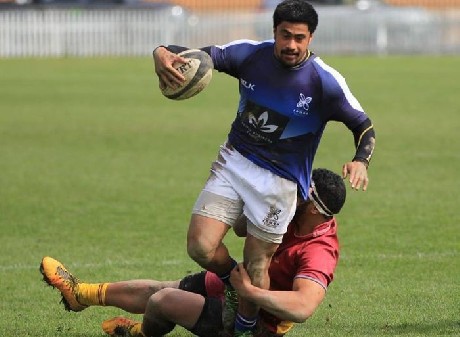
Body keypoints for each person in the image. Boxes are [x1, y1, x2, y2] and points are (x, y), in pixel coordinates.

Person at [152, 1, 375, 336]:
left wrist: (361, 160)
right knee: (200, 246)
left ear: (310, 37)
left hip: (280, 183)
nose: (292, 45)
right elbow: (193, 55)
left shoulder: (325, 82)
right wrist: (160, 52)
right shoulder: (249, 55)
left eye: (300, 38)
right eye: (285, 35)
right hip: (235, 160)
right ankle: (230, 282)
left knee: (257, 263)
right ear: (274, 32)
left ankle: (244, 329)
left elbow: (364, 126)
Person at [40, 168, 346, 337]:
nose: (296, 194)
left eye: (303, 194)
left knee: (163, 301)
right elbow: (240, 229)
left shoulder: (320, 251)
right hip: (239, 288)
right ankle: (80, 294)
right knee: (162, 288)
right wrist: (260, 205)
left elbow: (303, 307)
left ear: (317, 211)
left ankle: (138, 334)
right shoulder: (289, 213)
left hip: (257, 326)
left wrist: (250, 292)